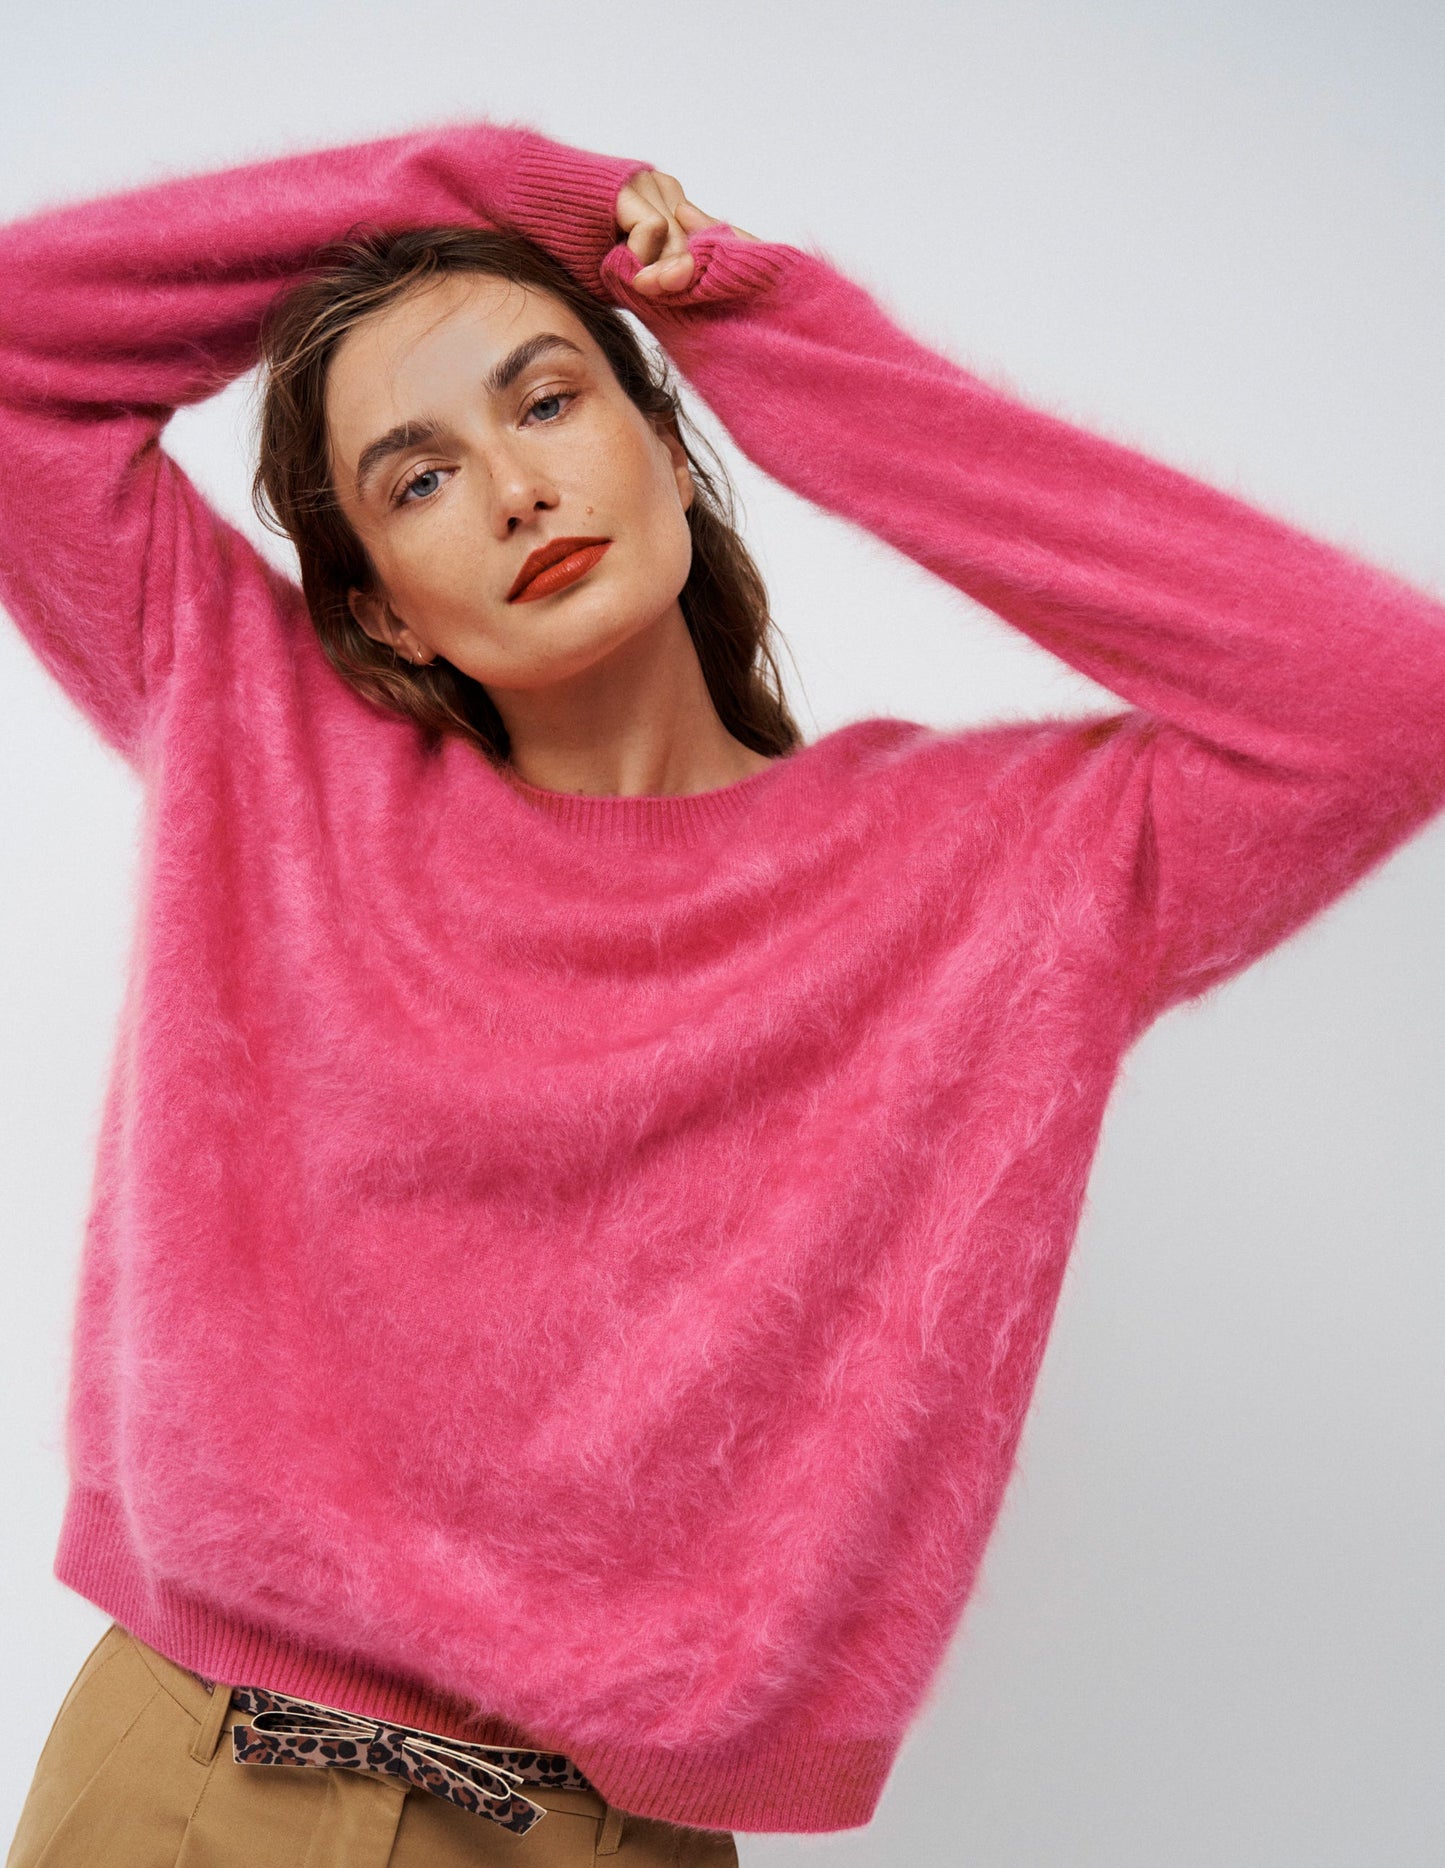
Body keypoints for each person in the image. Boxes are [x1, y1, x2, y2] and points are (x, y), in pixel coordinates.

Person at [2, 116, 1443, 1868]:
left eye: (548, 402)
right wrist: (480, 182)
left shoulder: (986, 875)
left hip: (591, 1837)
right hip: (181, 1781)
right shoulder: (272, 758)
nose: (515, 489)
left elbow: (1383, 700)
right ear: (380, 616)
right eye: (418, 478)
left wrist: (764, 341)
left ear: (670, 449)